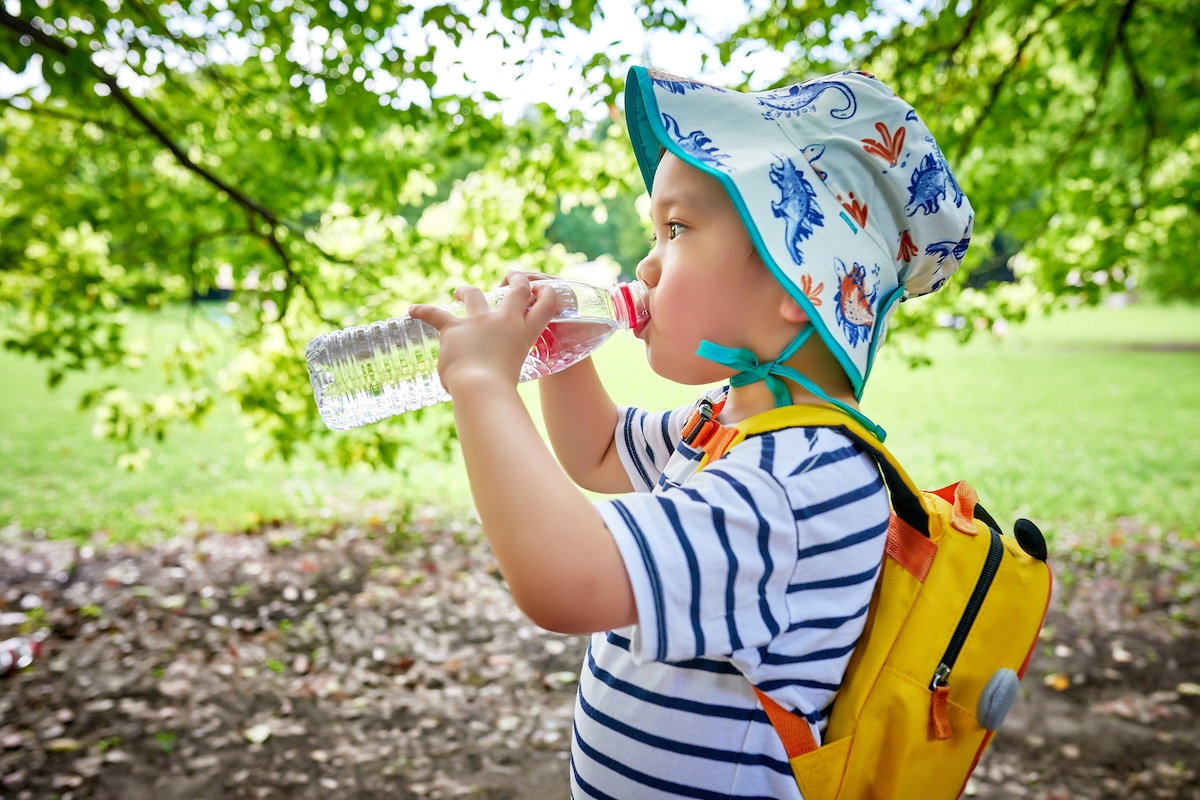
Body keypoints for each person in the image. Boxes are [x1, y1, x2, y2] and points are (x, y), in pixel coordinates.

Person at [410, 65, 973, 798]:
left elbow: (567, 580)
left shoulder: (798, 482)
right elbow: (601, 449)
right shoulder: (729, 427)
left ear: (799, 283)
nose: (645, 261)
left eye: (676, 228)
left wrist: (484, 386)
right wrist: (557, 355)